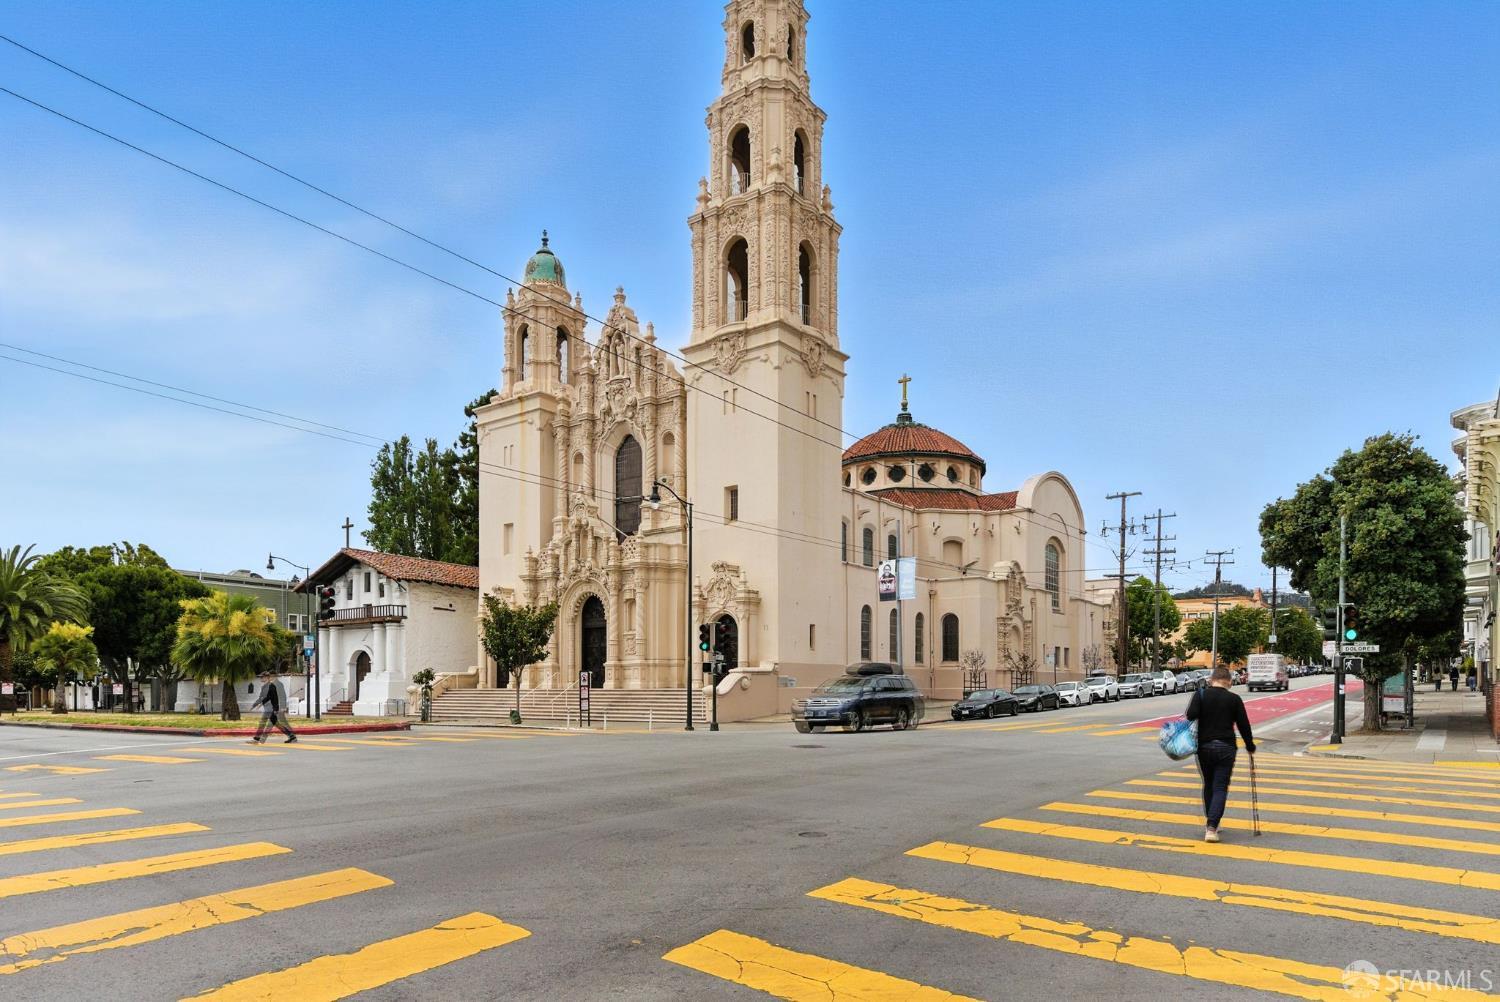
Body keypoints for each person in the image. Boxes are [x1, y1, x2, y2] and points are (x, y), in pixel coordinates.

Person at [1184, 665, 1255, 843]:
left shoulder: (1200, 695)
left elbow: (1190, 715)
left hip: (1204, 747)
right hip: (1226, 747)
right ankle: (1212, 826)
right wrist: (1250, 745)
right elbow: (1244, 725)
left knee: (1208, 785)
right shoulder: (1234, 699)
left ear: (1211, 680)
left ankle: (1211, 822)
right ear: (1229, 682)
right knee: (1220, 787)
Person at [250, 672, 297, 744]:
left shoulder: (272, 686)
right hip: (267, 709)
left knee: (272, 724)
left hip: (272, 709)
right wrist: (257, 704)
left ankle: (258, 739)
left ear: (267, 677)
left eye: (262, 677)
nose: (261, 678)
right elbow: (263, 697)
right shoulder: (264, 687)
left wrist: (276, 708)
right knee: (270, 724)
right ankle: (291, 736)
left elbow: (274, 698)